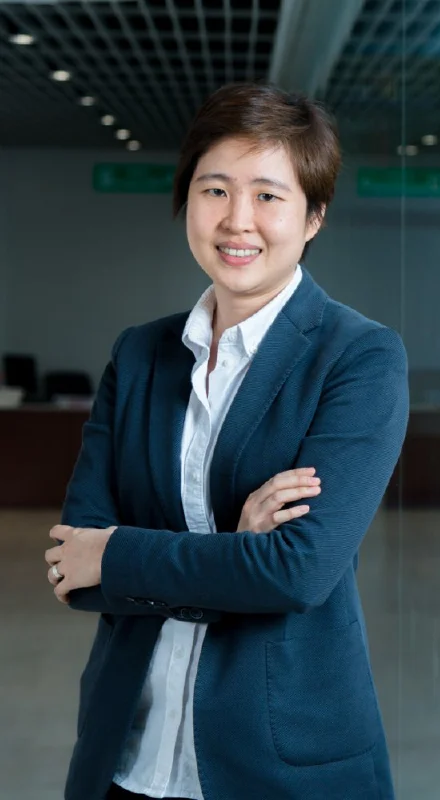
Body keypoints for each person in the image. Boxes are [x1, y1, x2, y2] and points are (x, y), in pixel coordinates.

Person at [43, 83, 408, 800]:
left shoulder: (358, 356)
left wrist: (120, 555)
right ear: (187, 199)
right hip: (125, 759)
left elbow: (297, 573)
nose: (238, 219)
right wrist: (236, 554)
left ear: (314, 215)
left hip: (280, 764)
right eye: (215, 189)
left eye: (268, 195)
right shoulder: (140, 354)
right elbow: (71, 566)